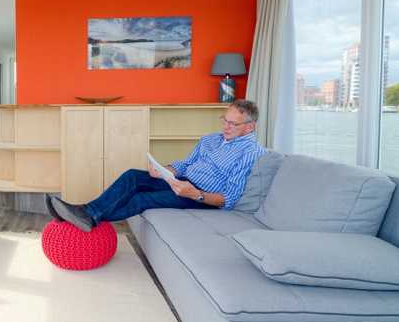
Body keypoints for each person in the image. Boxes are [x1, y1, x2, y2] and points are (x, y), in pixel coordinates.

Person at [46, 99, 266, 232]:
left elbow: (229, 199)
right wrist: (168, 170)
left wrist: (196, 194)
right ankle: (86, 213)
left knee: (142, 199)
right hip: (182, 182)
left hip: (201, 197)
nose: (226, 126)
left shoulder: (251, 152)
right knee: (133, 176)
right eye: (224, 120)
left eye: (233, 123)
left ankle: (84, 216)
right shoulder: (210, 139)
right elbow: (186, 163)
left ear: (249, 127)